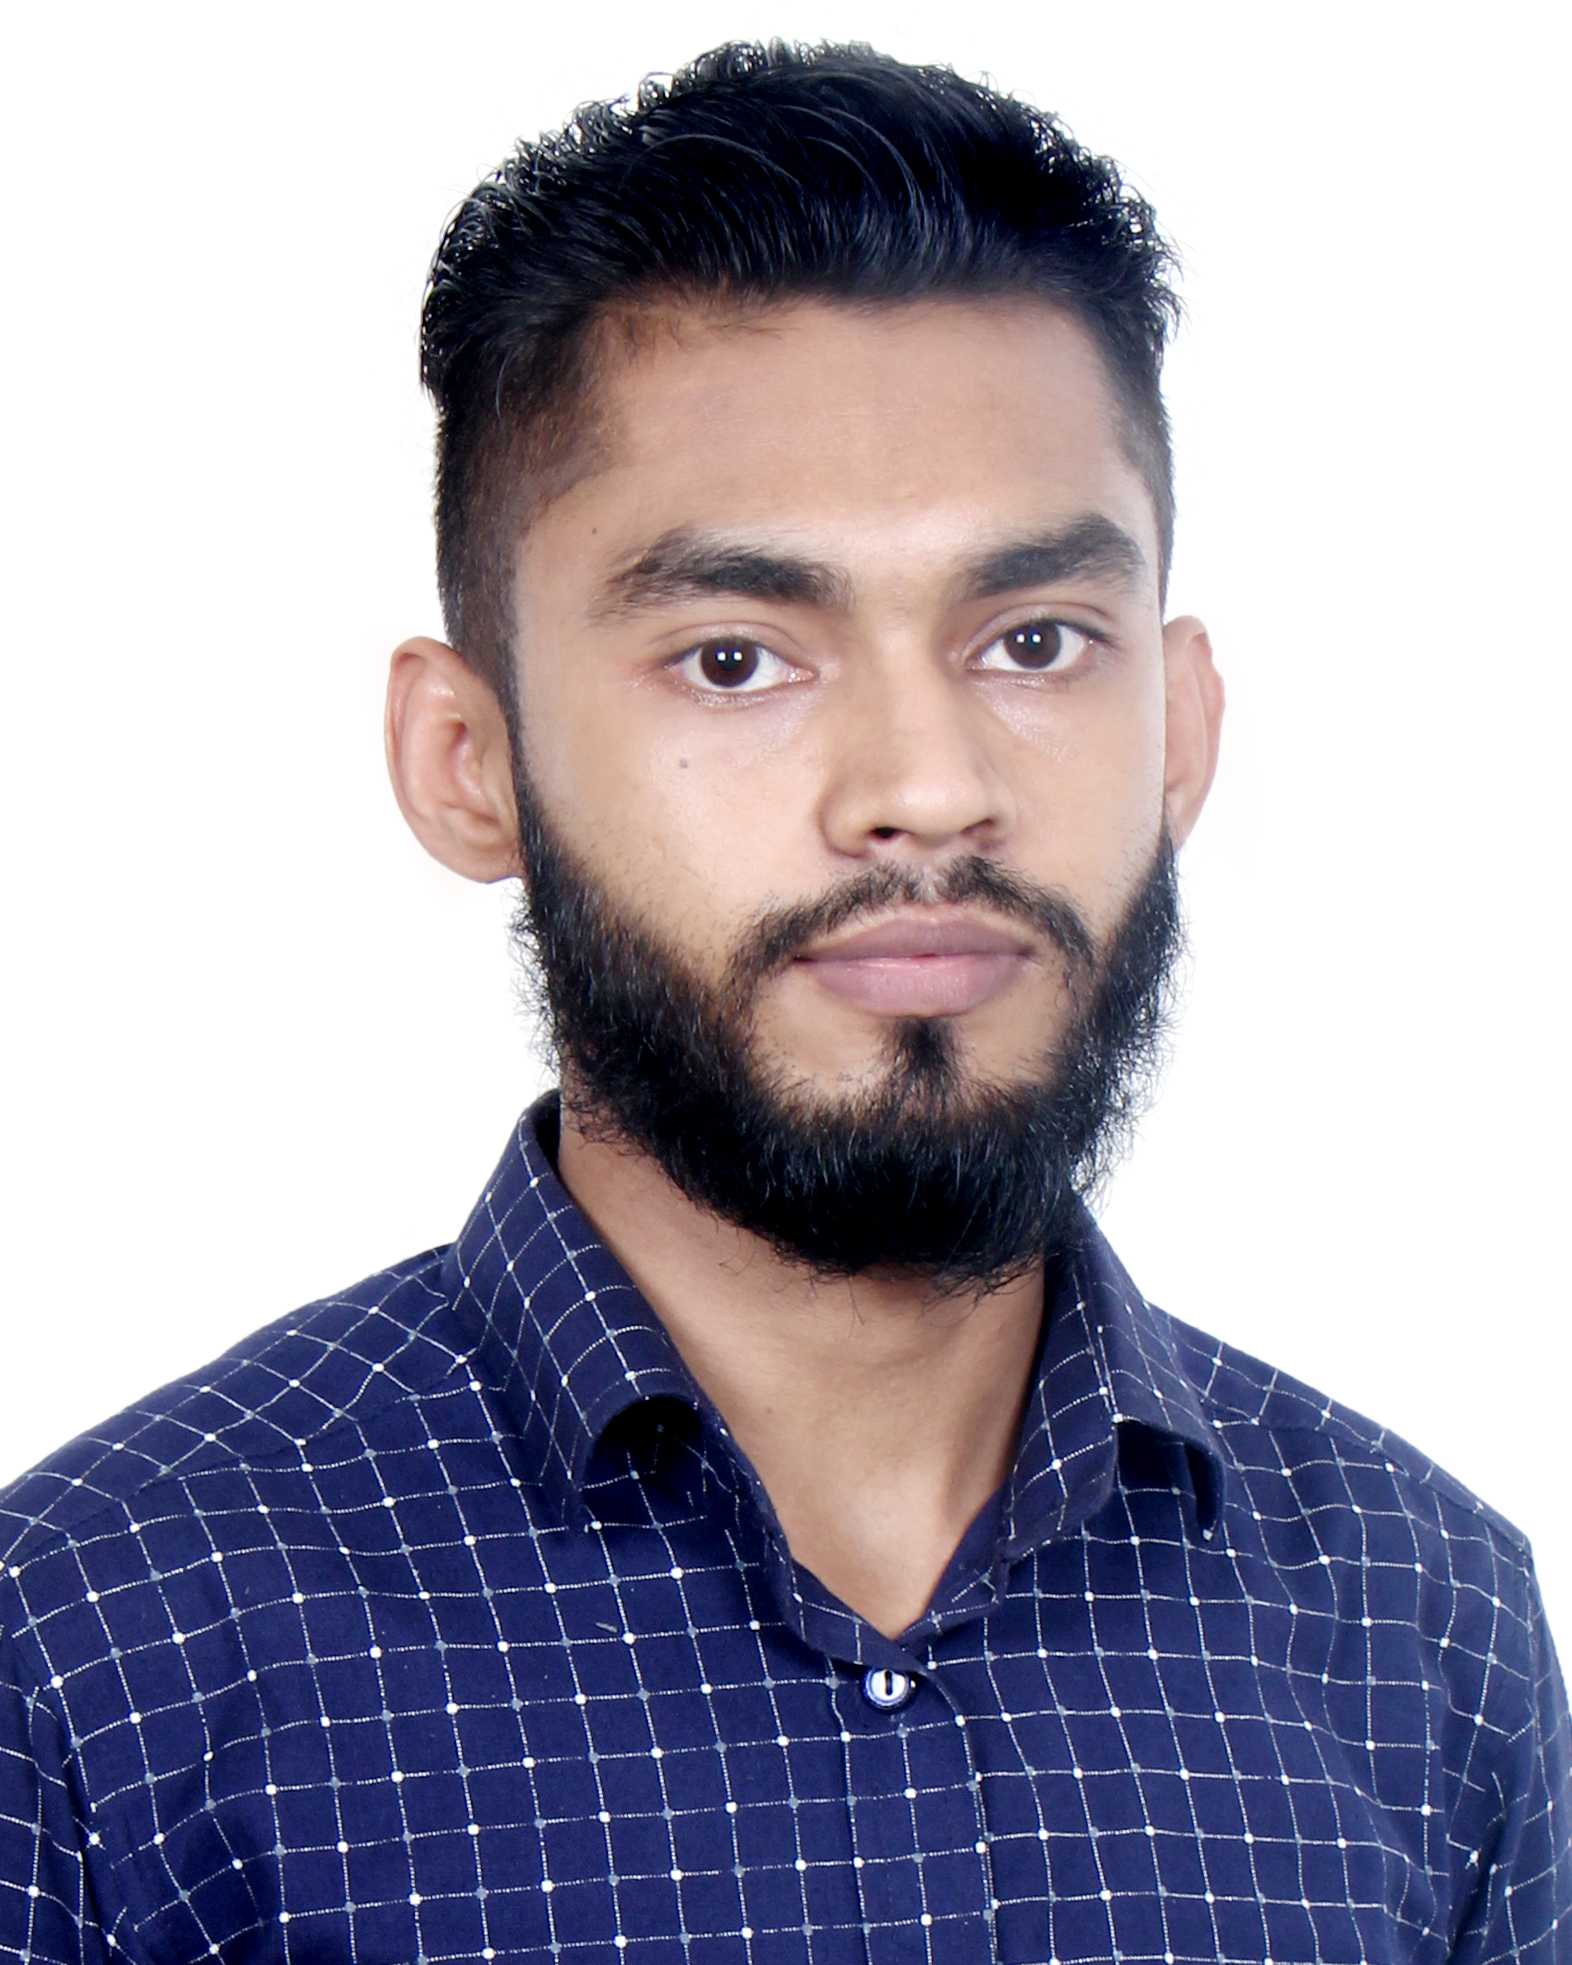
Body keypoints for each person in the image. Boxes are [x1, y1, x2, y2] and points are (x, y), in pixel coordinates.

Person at [2, 35, 1565, 1964]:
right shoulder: (95, 1658)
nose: (926, 784)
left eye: (1035, 640)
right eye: (738, 657)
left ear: (1181, 729)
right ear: (467, 762)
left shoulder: (1424, 1626)